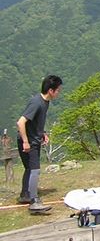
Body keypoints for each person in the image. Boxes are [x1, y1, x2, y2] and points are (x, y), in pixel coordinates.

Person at [17, 75, 63, 213]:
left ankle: (25, 195)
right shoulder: (37, 102)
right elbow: (20, 123)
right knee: (35, 170)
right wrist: (26, 142)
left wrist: (42, 133)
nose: (59, 92)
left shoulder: (45, 102)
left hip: (33, 139)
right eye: (58, 90)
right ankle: (34, 202)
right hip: (29, 142)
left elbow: (34, 122)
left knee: (29, 169)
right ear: (51, 90)